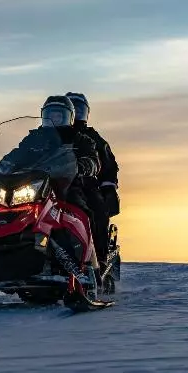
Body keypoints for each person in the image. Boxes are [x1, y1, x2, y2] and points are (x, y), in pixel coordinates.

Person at [0, 95, 100, 219]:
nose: (54, 119)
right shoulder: (34, 138)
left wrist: (83, 166)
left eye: (58, 116)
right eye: (50, 115)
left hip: (66, 185)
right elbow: (17, 154)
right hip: (31, 184)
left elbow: (93, 160)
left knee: (82, 210)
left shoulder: (80, 139)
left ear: (68, 117)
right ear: (43, 116)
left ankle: (86, 236)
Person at [65, 92, 120, 267]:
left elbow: (108, 165)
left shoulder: (93, 138)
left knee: (96, 208)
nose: (77, 114)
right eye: (74, 109)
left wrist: (108, 186)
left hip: (84, 184)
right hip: (49, 183)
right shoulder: (49, 135)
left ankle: (99, 257)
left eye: (80, 109)